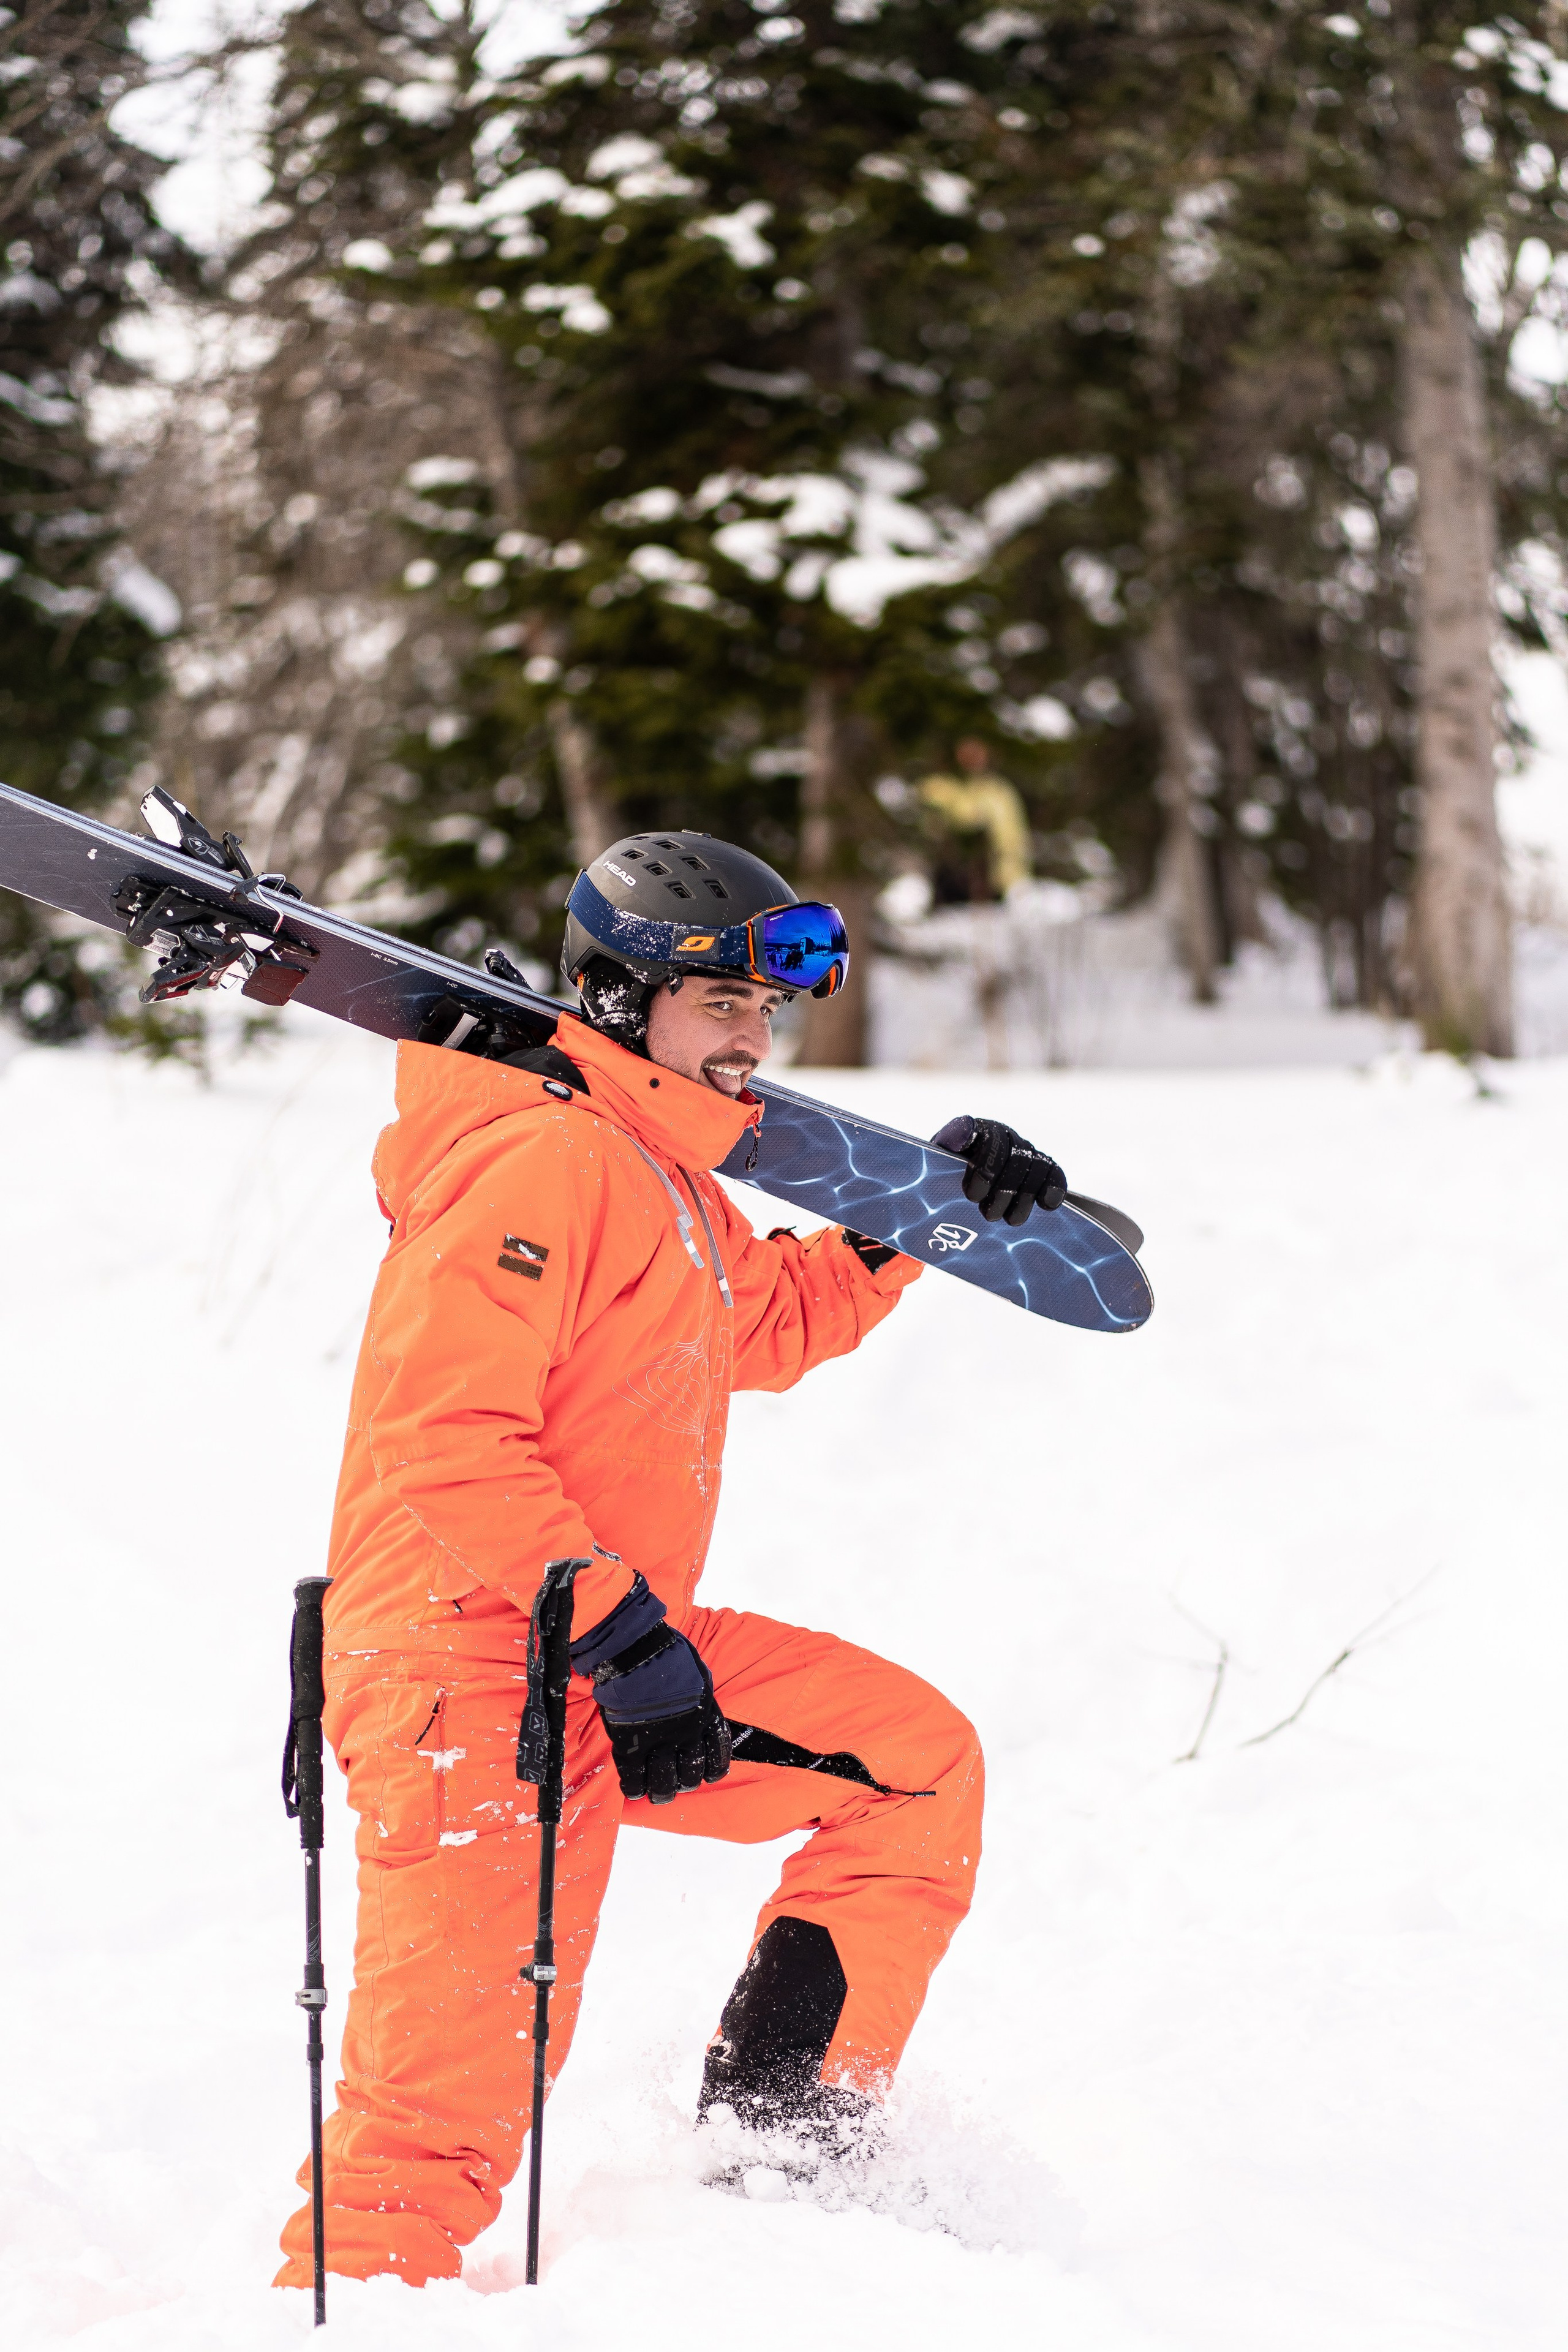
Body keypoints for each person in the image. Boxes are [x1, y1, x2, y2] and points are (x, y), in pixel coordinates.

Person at [276, 831, 1068, 2291]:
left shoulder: (661, 1174)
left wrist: (914, 1227)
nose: (751, 1044)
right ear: (617, 1002)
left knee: (912, 1767)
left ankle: (775, 2155)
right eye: (719, 1009)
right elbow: (442, 1438)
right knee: (430, 2139)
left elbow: (755, 1326)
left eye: (766, 1013)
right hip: (467, 1680)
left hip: (595, 1651)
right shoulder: (543, 1158)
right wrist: (623, 1638)